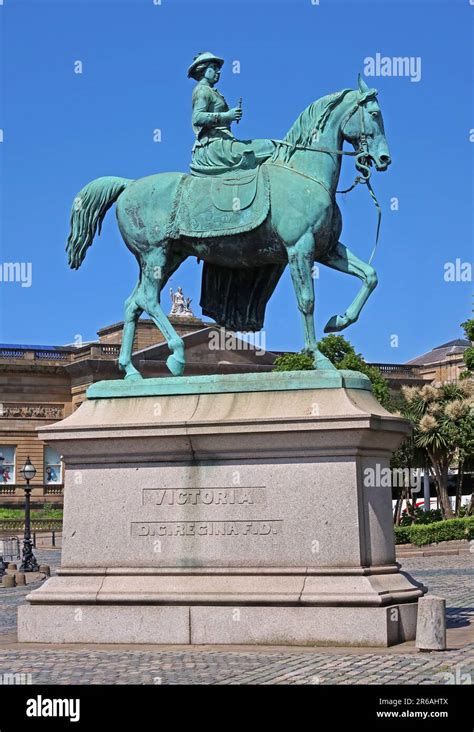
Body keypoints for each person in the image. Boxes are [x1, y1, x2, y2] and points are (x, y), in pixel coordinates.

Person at [187, 51, 275, 176]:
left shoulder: (212, 91)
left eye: (218, 69)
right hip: (215, 146)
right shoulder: (202, 91)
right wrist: (228, 116)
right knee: (270, 146)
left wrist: (230, 117)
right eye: (213, 68)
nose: (218, 72)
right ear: (203, 70)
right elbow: (197, 117)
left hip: (223, 142)